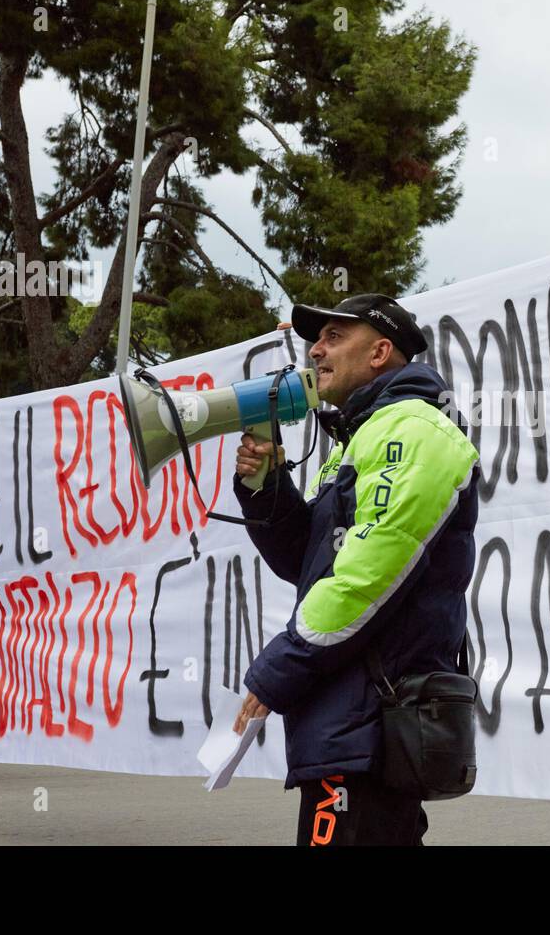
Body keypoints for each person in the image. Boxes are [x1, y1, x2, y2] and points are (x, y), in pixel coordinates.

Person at [230, 294, 481, 846]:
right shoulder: (359, 439)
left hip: (371, 722)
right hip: (351, 724)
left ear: (380, 352)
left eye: (334, 337)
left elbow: (365, 580)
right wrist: (265, 485)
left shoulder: (412, 431)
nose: (315, 350)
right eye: (314, 340)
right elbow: (307, 564)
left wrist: (277, 671)